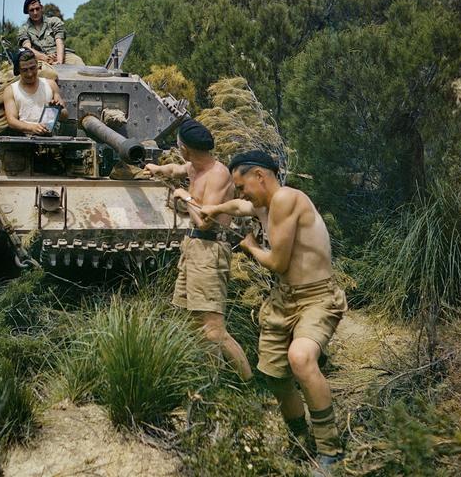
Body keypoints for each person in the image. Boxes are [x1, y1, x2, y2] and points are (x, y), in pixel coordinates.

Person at [200, 149, 347, 474]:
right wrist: (216, 207)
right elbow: (241, 206)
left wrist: (251, 246)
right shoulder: (265, 204)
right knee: (276, 375)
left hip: (317, 299)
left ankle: (331, 451)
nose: (241, 193)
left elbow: (278, 262)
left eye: (242, 185)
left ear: (260, 177)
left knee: (300, 359)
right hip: (284, 300)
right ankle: (300, 441)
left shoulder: (286, 200)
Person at [143, 120, 253, 381]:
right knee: (192, 322)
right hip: (193, 248)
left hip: (209, 247)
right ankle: (210, 381)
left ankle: (249, 383)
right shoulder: (194, 166)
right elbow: (176, 169)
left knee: (214, 329)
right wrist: (158, 168)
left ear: (185, 148)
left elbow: (206, 220)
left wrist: (186, 197)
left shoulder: (217, 174)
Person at [3, 49, 68, 135]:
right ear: (18, 70)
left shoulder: (50, 85)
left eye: (32, 68)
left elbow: (65, 116)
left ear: (37, 65)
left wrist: (58, 109)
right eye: (25, 70)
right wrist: (32, 127)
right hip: (24, 140)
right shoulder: (11, 90)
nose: (30, 74)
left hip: (50, 137)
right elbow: (11, 121)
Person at [18, 0, 85, 66]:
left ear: (41, 8)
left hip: (60, 54)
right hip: (39, 58)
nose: (35, 12)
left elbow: (60, 41)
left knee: (77, 62)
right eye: (32, 10)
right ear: (28, 12)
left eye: (37, 9)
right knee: (41, 71)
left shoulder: (54, 21)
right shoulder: (24, 29)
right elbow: (27, 48)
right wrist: (45, 58)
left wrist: (59, 62)